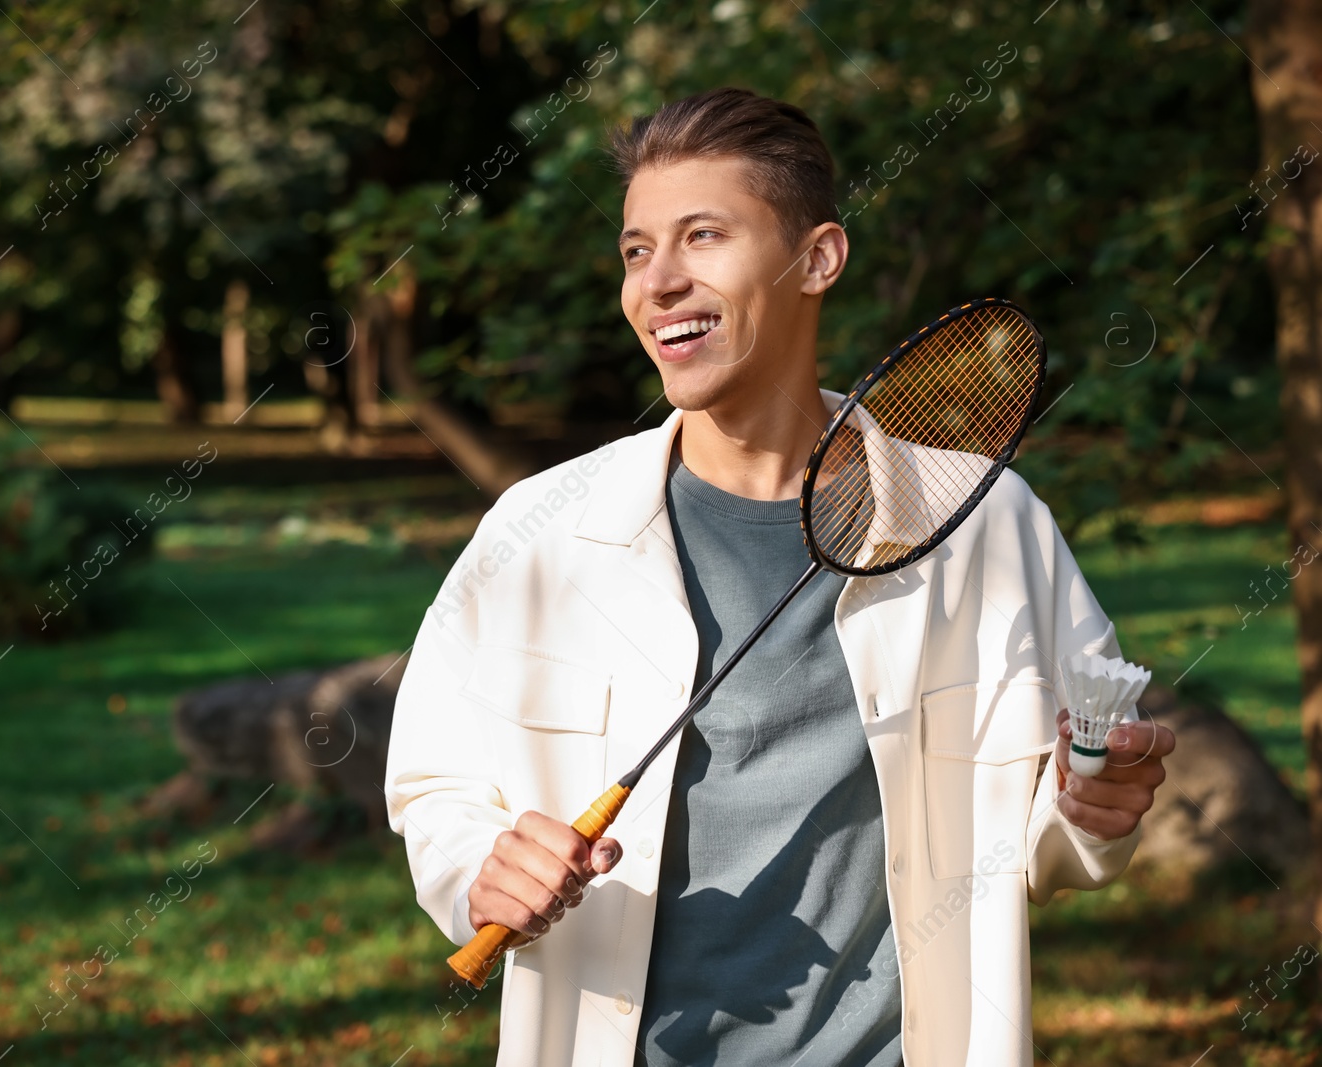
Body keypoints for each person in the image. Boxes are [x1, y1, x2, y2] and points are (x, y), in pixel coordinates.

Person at [383, 86, 1175, 1067]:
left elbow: (1062, 814)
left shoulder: (985, 522)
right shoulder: (538, 532)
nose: (657, 281)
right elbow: (435, 780)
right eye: (636, 250)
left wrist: (1093, 803)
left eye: (701, 236)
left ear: (817, 258)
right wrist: (479, 872)